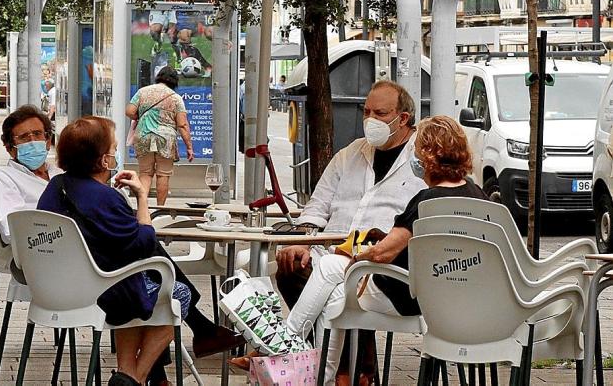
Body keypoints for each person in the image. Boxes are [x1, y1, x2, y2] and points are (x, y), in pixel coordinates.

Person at [38, 117, 243, 386]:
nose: (117, 152)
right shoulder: (106, 198)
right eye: (113, 148)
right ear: (104, 161)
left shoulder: (55, 187)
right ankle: (135, 377)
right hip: (104, 292)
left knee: (146, 280)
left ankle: (142, 369)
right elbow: (144, 242)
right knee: (173, 293)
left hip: (59, 288)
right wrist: (142, 197)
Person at [283, 115, 488, 384]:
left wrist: (354, 255)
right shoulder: (478, 195)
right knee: (334, 300)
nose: (413, 160)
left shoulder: (426, 201)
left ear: (428, 156)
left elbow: (384, 254)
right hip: (454, 299)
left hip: (406, 294)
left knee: (330, 267)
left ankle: (283, 343)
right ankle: (323, 378)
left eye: (416, 152)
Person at [275, 80, 425, 308]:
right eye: (366, 112)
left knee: (338, 294)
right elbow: (317, 207)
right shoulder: (350, 153)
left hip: (380, 264)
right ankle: (327, 341)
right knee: (291, 267)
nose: (370, 120)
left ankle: (315, 341)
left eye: (380, 113)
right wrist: (300, 243)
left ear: (403, 119)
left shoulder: (423, 160)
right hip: (331, 252)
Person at [0, 105, 60, 244]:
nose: (32, 142)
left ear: (48, 141)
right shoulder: (5, 178)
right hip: (39, 252)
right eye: (24, 137)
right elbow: (12, 231)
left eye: (38, 134)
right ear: (10, 148)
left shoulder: (58, 174)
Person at [126, 67, 194, 205]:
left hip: (143, 135)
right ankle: (160, 209)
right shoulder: (176, 98)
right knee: (163, 174)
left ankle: (143, 208)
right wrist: (189, 147)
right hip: (165, 139)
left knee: (145, 173)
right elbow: (182, 125)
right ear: (175, 81)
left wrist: (140, 117)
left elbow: (129, 111)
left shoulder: (142, 92)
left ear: (159, 77)